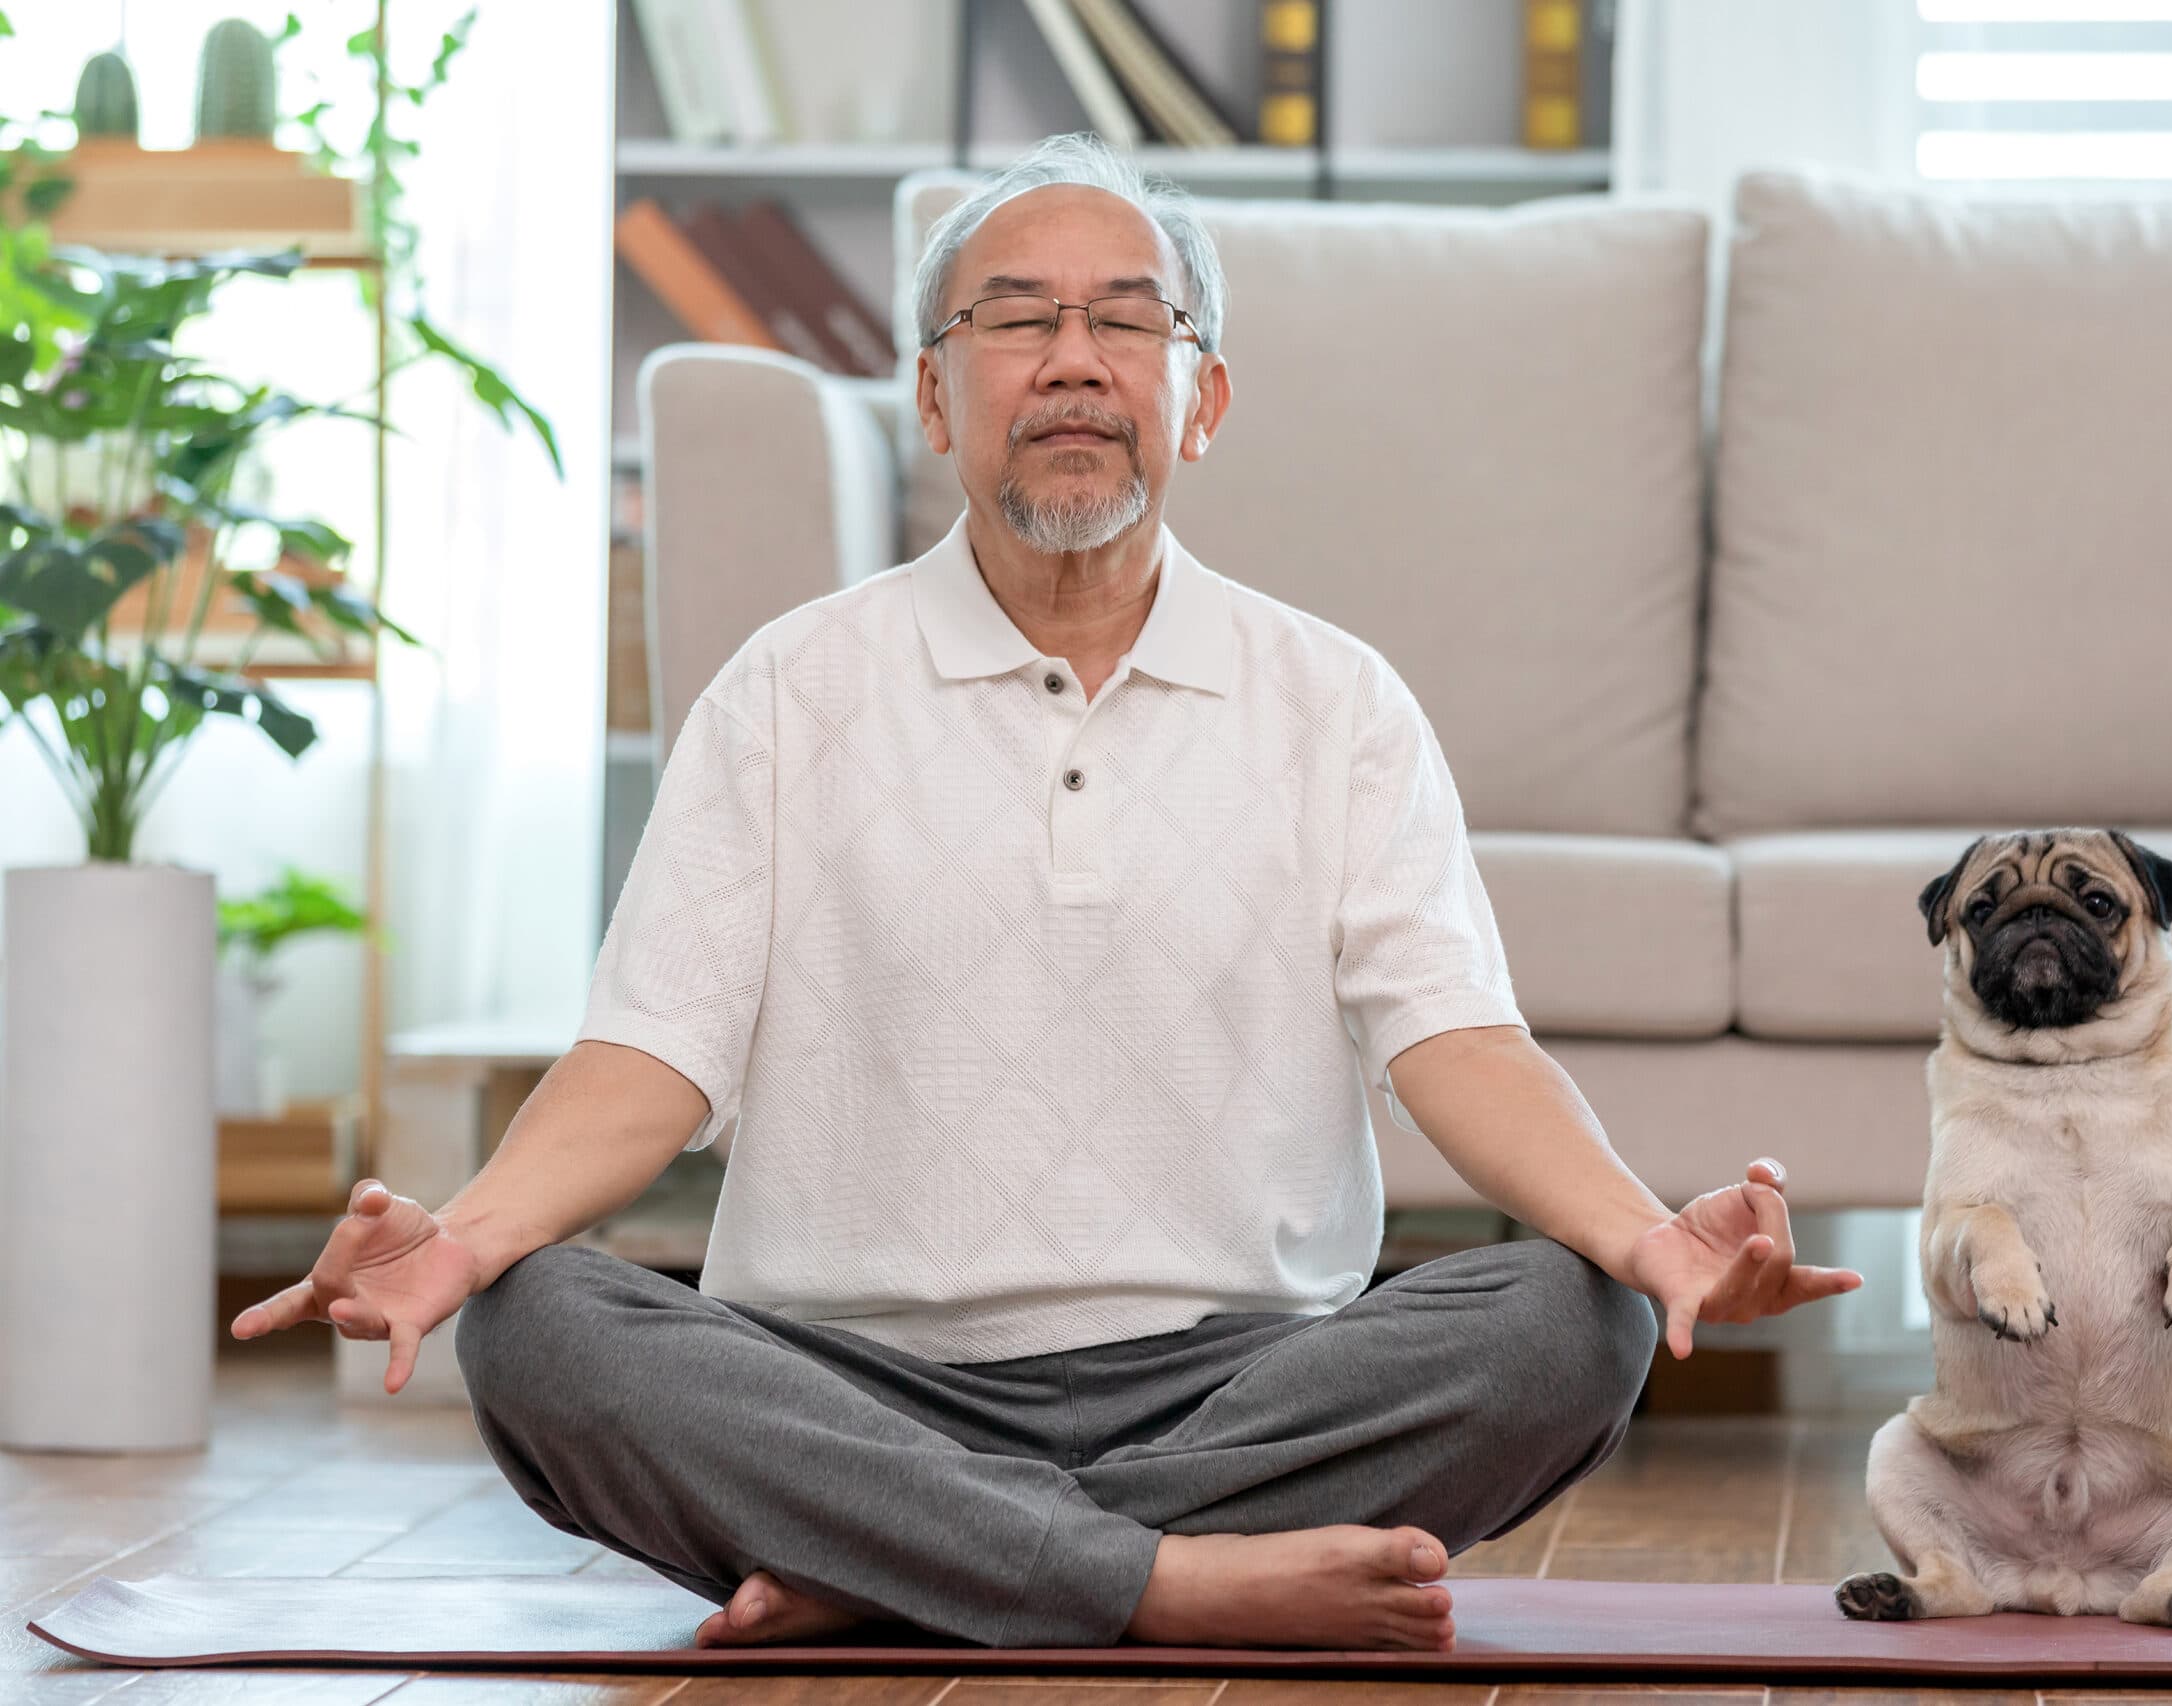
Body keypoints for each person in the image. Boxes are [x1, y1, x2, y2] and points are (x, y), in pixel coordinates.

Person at [232, 132, 1863, 1655]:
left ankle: (895, 1569)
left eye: (1124, 321)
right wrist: (463, 1241)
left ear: (1201, 396)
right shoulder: (787, 690)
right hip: (850, 1384)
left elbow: (1462, 1049)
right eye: (1013, 320)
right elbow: (647, 1056)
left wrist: (1651, 1242)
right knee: (535, 1332)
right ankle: (1167, 1581)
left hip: (1244, 1382)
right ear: (933, 399)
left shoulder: (1337, 699)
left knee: (1572, 1322)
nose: (1073, 358)